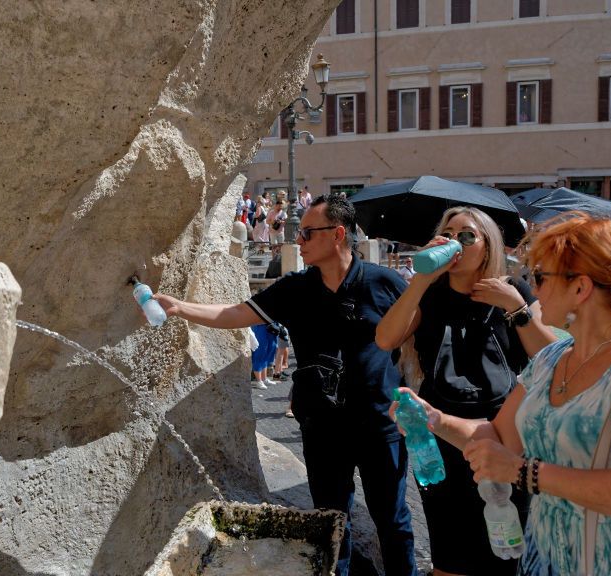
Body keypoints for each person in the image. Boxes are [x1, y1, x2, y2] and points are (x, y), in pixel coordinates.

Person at [392, 214, 611, 575]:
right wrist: (434, 418)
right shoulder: (553, 359)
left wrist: (524, 472)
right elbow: (501, 436)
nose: (533, 289)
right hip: (559, 553)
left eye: (540, 277)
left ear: (580, 288)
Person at [153, 194, 418, 576]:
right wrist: (181, 308)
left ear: (338, 234)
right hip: (323, 426)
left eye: (308, 233)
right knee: (331, 523)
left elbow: (416, 328)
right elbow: (236, 313)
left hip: (381, 423)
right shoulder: (295, 287)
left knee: (393, 520)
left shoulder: (385, 282)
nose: (299, 241)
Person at [376, 206, 555, 575]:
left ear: (487, 246)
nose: (455, 242)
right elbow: (385, 338)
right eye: (448, 234)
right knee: (450, 553)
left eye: (466, 235)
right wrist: (422, 279)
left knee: (508, 550)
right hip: (442, 437)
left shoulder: (513, 290)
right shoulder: (429, 295)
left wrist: (516, 308)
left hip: (507, 435)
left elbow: (552, 357)